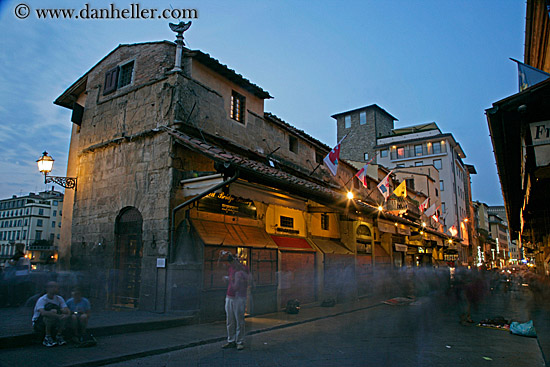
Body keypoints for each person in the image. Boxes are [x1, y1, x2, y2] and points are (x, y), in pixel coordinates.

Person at [221, 252, 251, 351]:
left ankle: (240, 341)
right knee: (230, 320)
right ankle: (231, 340)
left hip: (240, 296)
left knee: (239, 320)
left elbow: (248, 280)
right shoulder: (230, 268)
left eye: (232, 262)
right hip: (229, 295)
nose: (231, 265)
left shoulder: (244, 268)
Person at [32, 281, 70, 347]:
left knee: (63, 316)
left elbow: (66, 309)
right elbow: (43, 313)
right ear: (47, 289)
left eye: (56, 287)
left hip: (56, 318)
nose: (54, 288)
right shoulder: (42, 299)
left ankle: (59, 335)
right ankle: (47, 337)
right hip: (39, 321)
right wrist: (57, 315)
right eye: (52, 287)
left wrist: (66, 315)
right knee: (49, 316)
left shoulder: (59, 298)